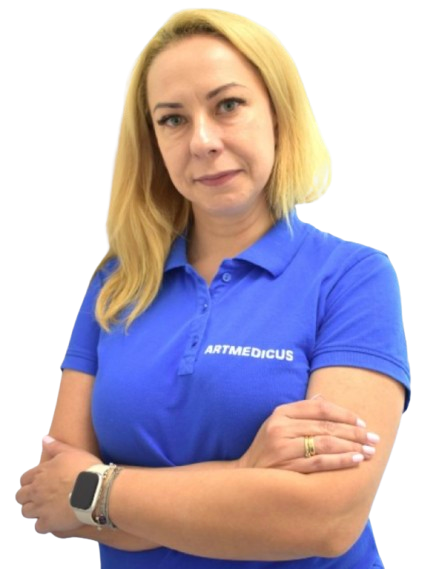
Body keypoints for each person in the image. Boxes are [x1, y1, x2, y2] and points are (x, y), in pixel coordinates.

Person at [15, 7, 411, 568]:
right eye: (172, 119)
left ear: (278, 114)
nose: (202, 141)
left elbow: (324, 521)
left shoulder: (352, 275)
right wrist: (248, 473)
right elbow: (55, 499)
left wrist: (101, 492)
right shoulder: (117, 284)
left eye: (228, 105)